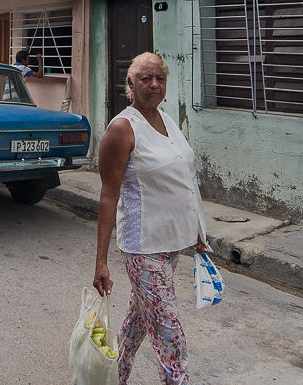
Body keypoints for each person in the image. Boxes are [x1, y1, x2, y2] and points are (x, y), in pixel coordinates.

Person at [93, 52, 208, 385]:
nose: (154, 84)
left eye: (160, 78)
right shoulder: (122, 128)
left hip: (172, 243)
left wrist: (198, 228)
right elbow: (108, 196)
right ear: (130, 84)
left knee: (137, 322)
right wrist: (101, 262)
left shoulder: (166, 120)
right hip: (143, 247)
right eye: (146, 78)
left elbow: (185, 177)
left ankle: (114, 376)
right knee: (170, 335)